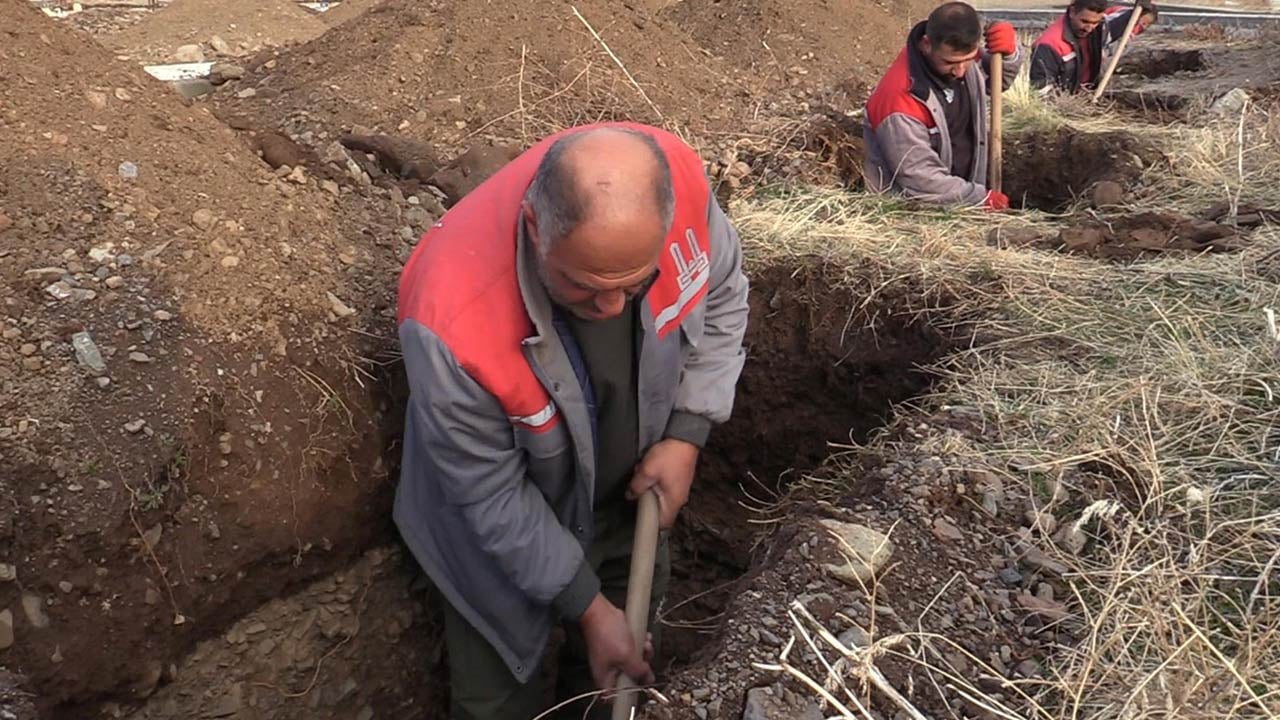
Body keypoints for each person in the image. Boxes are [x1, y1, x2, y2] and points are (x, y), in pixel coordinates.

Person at [394, 123, 750, 720]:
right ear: (537, 230)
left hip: (624, 494)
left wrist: (688, 431)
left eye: (634, 287)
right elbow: (488, 496)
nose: (610, 308)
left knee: (617, 672)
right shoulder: (450, 321)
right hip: (496, 530)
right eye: (584, 289)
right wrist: (588, 609)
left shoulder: (680, 187)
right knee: (501, 695)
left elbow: (723, 294)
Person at [863, 2, 1022, 210]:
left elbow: (996, 80)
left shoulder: (961, 57)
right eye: (950, 63)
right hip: (911, 216)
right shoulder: (899, 101)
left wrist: (1008, 55)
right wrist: (978, 198)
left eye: (967, 60)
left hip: (960, 203)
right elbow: (919, 177)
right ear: (927, 44)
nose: (960, 72)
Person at [1031, 0, 1158, 94]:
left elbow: (1116, 27)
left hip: (1089, 94)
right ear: (1072, 11)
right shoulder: (1049, 45)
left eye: (1095, 22)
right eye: (1084, 21)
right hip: (1067, 104)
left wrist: (1139, 12)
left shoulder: (1098, 29)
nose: (1089, 28)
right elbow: (1041, 91)